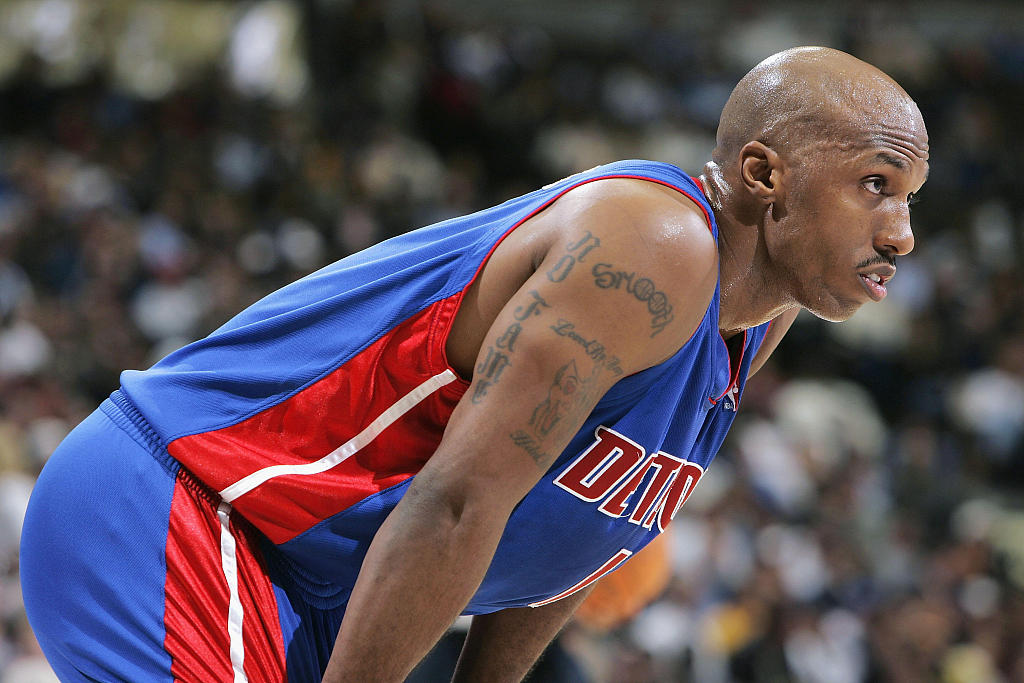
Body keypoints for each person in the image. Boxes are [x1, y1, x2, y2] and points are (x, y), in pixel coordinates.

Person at [20, 45, 928, 682]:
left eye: (910, 198)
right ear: (764, 176)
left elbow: (571, 541)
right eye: (875, 185)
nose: (902, 234)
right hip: (187, 503)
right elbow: (457, 500)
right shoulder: (655, 244)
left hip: (299, 574)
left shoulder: (758, 319)